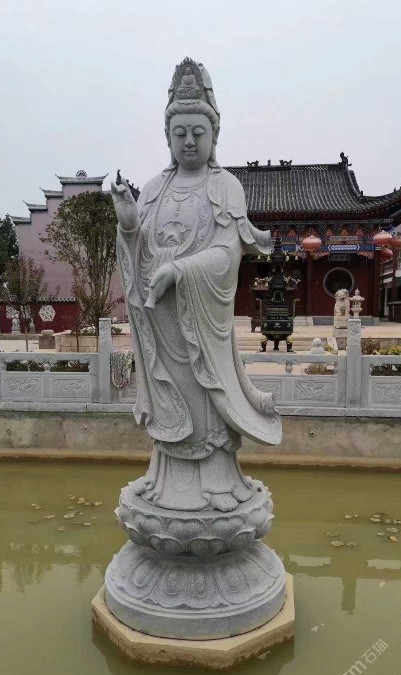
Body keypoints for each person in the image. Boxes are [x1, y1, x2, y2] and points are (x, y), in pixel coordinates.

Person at [110, 58, 281, 513]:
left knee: (204, 392)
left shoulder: (226, 186)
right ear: (168, 137)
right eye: (180, 132)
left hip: (200, 315)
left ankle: (217, 481)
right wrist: (128, 222)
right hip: (161, 314)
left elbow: (227, 254)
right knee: (169, 391)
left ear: (213, 136)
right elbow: (138, 248)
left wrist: (181, 271)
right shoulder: (153, 188)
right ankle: (165, 475)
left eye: (197, 133)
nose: (188, 141)